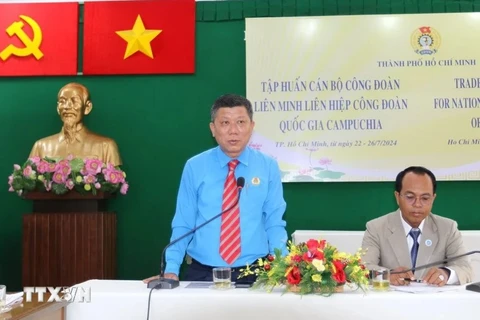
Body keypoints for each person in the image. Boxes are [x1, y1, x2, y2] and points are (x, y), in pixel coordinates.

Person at [143, 94, 288, 283]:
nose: (233, 131)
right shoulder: (195, 166)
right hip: (202, 272)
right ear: (213, 128)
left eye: (241, 122)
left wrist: (283, 267)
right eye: (225, 123)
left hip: (255, 272)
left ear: (252, 127)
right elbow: (183, 223)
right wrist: (171, 268)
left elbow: (274, 223)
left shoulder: (268, 166)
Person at [361, 166, 472, 286]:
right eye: (410, 197)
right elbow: (363, 269)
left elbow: (465, 268)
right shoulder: (376, 228)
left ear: (433, 199)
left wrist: (445, 274)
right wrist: (388, 275)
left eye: (425, 198)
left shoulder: (447, 228)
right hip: (392, 302)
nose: (417, 204)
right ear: (397, 197)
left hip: (434, 302)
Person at [29, 82, 122, 166]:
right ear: (58, 108)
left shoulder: (106, 146)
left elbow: (114, 183)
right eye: (62, 101)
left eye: (75, 101)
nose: (67, 106)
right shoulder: (41, 146)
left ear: (87, 107)